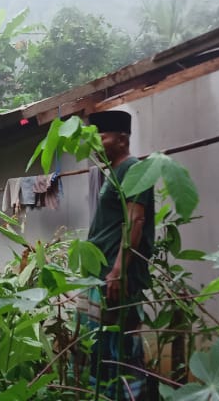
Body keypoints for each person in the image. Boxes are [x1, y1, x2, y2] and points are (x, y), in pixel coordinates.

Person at [83, 110, 154, 400]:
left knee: (122, 345)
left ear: (122, 139)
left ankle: (128, 396)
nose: (96, 142)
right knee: (100, 345)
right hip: (102, 276)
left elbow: (135, 221)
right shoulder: (112, 173)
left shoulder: (134, 169)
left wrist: (117, 271)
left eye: (102, 135)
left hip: (115, 277)